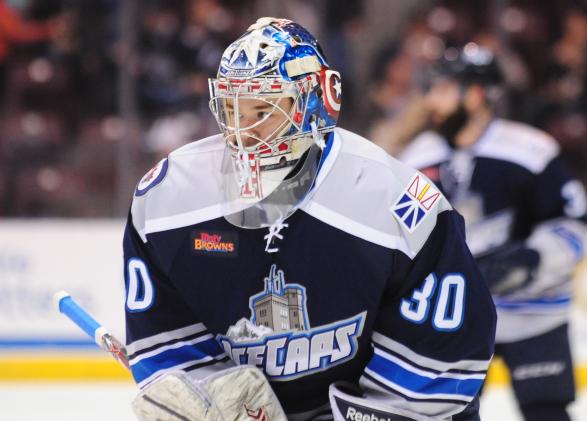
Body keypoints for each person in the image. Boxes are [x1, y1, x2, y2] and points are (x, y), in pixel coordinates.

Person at [123, 18, 496, 421]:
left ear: (315, 102)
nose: (243, 132)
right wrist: (208, 392)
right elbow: (169, 346)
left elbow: (442, 356)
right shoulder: (167, 200)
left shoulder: (395, 199)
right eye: (233, 109)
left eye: (262, 109)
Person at [398, 44, 587, 421]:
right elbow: (404, 234)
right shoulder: (417, 158)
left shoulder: (531, 150)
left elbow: (571, 224)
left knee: (547, 411)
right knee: (443, 414)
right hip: (455, 316)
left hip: (534, 312)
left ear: (476, 94)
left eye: (442, 88)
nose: (431, 100)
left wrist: (531, 260)